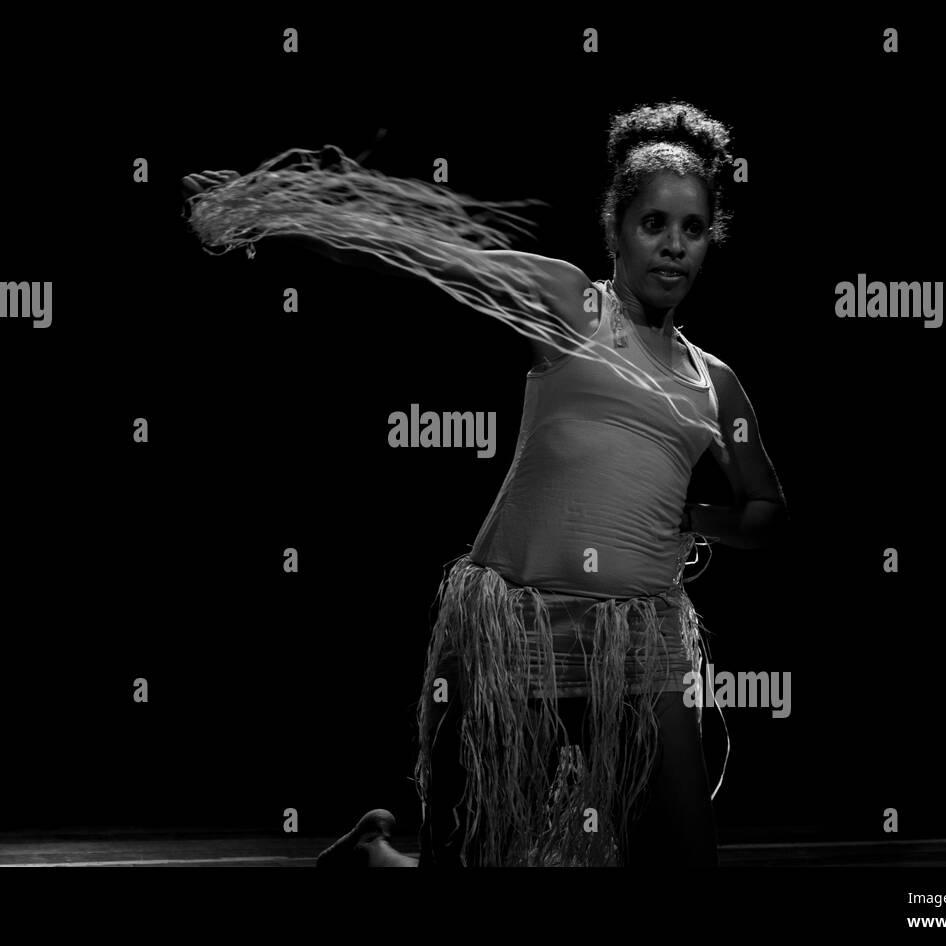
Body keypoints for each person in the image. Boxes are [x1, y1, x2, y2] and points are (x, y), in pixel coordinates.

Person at [185, 102, 788, 867]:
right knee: (468, 858)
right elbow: (426, 258)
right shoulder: (572, 308)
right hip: (521, 634)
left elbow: (767, 511)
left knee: (683, 859)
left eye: (693, 228)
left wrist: (694, 515)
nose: (673, 247)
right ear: (616, 226)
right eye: (653, 224)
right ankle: (377, 860)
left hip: (641, 647)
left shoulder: (716, 384)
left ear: (711, 237)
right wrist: (277, 218)